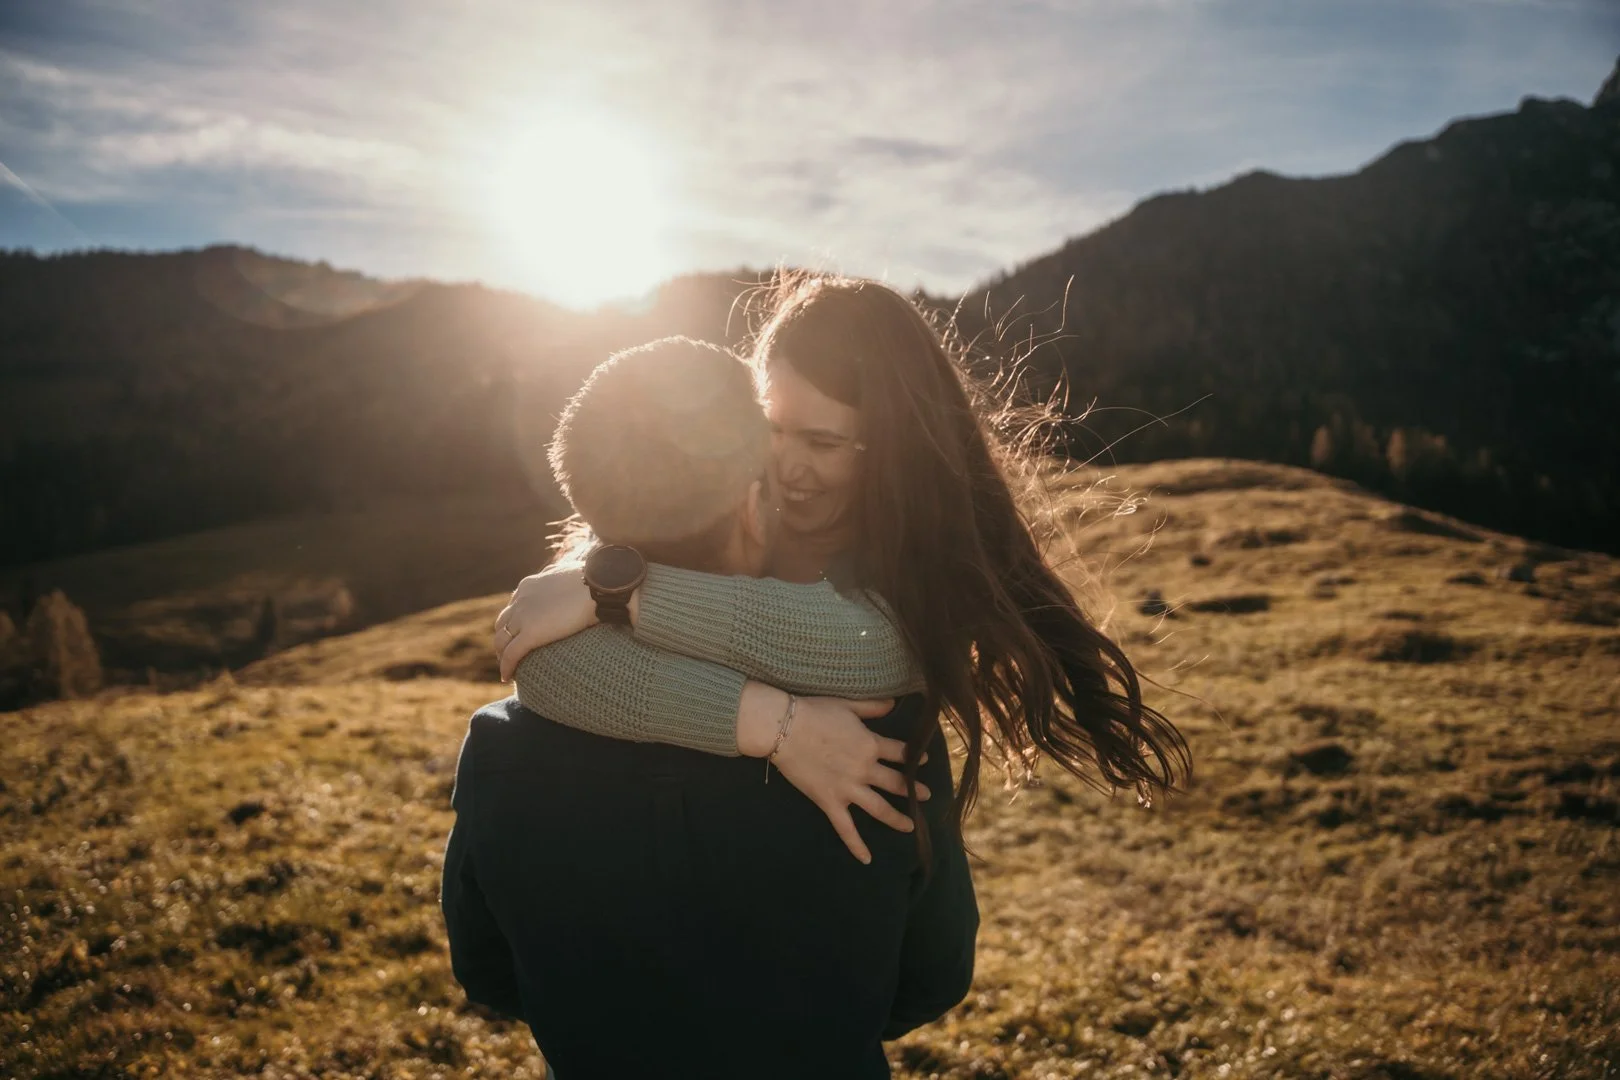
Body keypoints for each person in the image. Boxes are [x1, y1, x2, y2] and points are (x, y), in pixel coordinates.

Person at [494, 274, 1192, 852]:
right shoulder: (708, 494)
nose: (788, 465)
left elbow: (879, 649)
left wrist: (623, 598)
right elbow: (547, 665)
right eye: (773, 429)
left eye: (825, 444)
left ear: (892, 448)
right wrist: (766, 721)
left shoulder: (908, 564)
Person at [442, 337, 978, 1080]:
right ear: (755, 504)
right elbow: (934, 975)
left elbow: (486, 971)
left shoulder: (501, 750)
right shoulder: (878, 737)